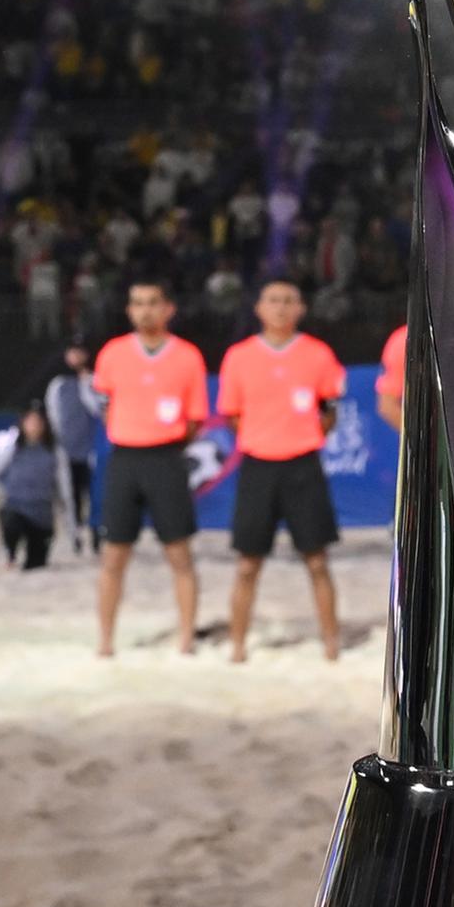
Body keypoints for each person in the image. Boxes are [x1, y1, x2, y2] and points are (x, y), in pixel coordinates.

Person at [214, 277, 346, 662]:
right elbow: (233, 417)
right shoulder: (239, 357)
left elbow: (328, 413)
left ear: (301, 308)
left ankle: (331, 641)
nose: (281, 307)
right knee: (247, 565)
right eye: (273, 300)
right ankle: (238, 644)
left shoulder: (319, 355)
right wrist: (265, 437)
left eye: (289, 300)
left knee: (318, 561)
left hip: (303, 466)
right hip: (258, 466)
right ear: (258, 308)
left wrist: (298, 436)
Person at [91, 278, 210, 657]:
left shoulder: (188, 356)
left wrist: (165, 439)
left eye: (153, 302)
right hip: (125, 459)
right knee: (113, 556)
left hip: (166, 458)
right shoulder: (112, 353)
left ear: (168, 309)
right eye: (137, 303)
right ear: (129, 310)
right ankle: (106, 640)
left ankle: (186, 638)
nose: (145, 310)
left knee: (179, 554)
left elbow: (195, 421)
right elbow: (106, 404)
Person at [0, 402, 63, 569]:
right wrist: (9, 493)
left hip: (42, 516)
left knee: (36, 564)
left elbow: (64, 491)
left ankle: (35, 549)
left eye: (38, 422)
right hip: (17, 508)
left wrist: (72, 528)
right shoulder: (13, 449)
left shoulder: (55, 452)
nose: (34, 427)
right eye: (30, 422)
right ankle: (10, 553)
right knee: (9, 520)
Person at [46, 342, 106, 548]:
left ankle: (97, 532)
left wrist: (85, 385)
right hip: (67, 449)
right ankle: (75, 536)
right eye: (72, 353)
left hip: (91, 448)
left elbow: (99, 409)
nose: (75, 357)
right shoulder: (58, 383)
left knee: (95, 493)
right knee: (69, 496)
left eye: (79, 353)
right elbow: (53, 414)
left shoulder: (95, 380)